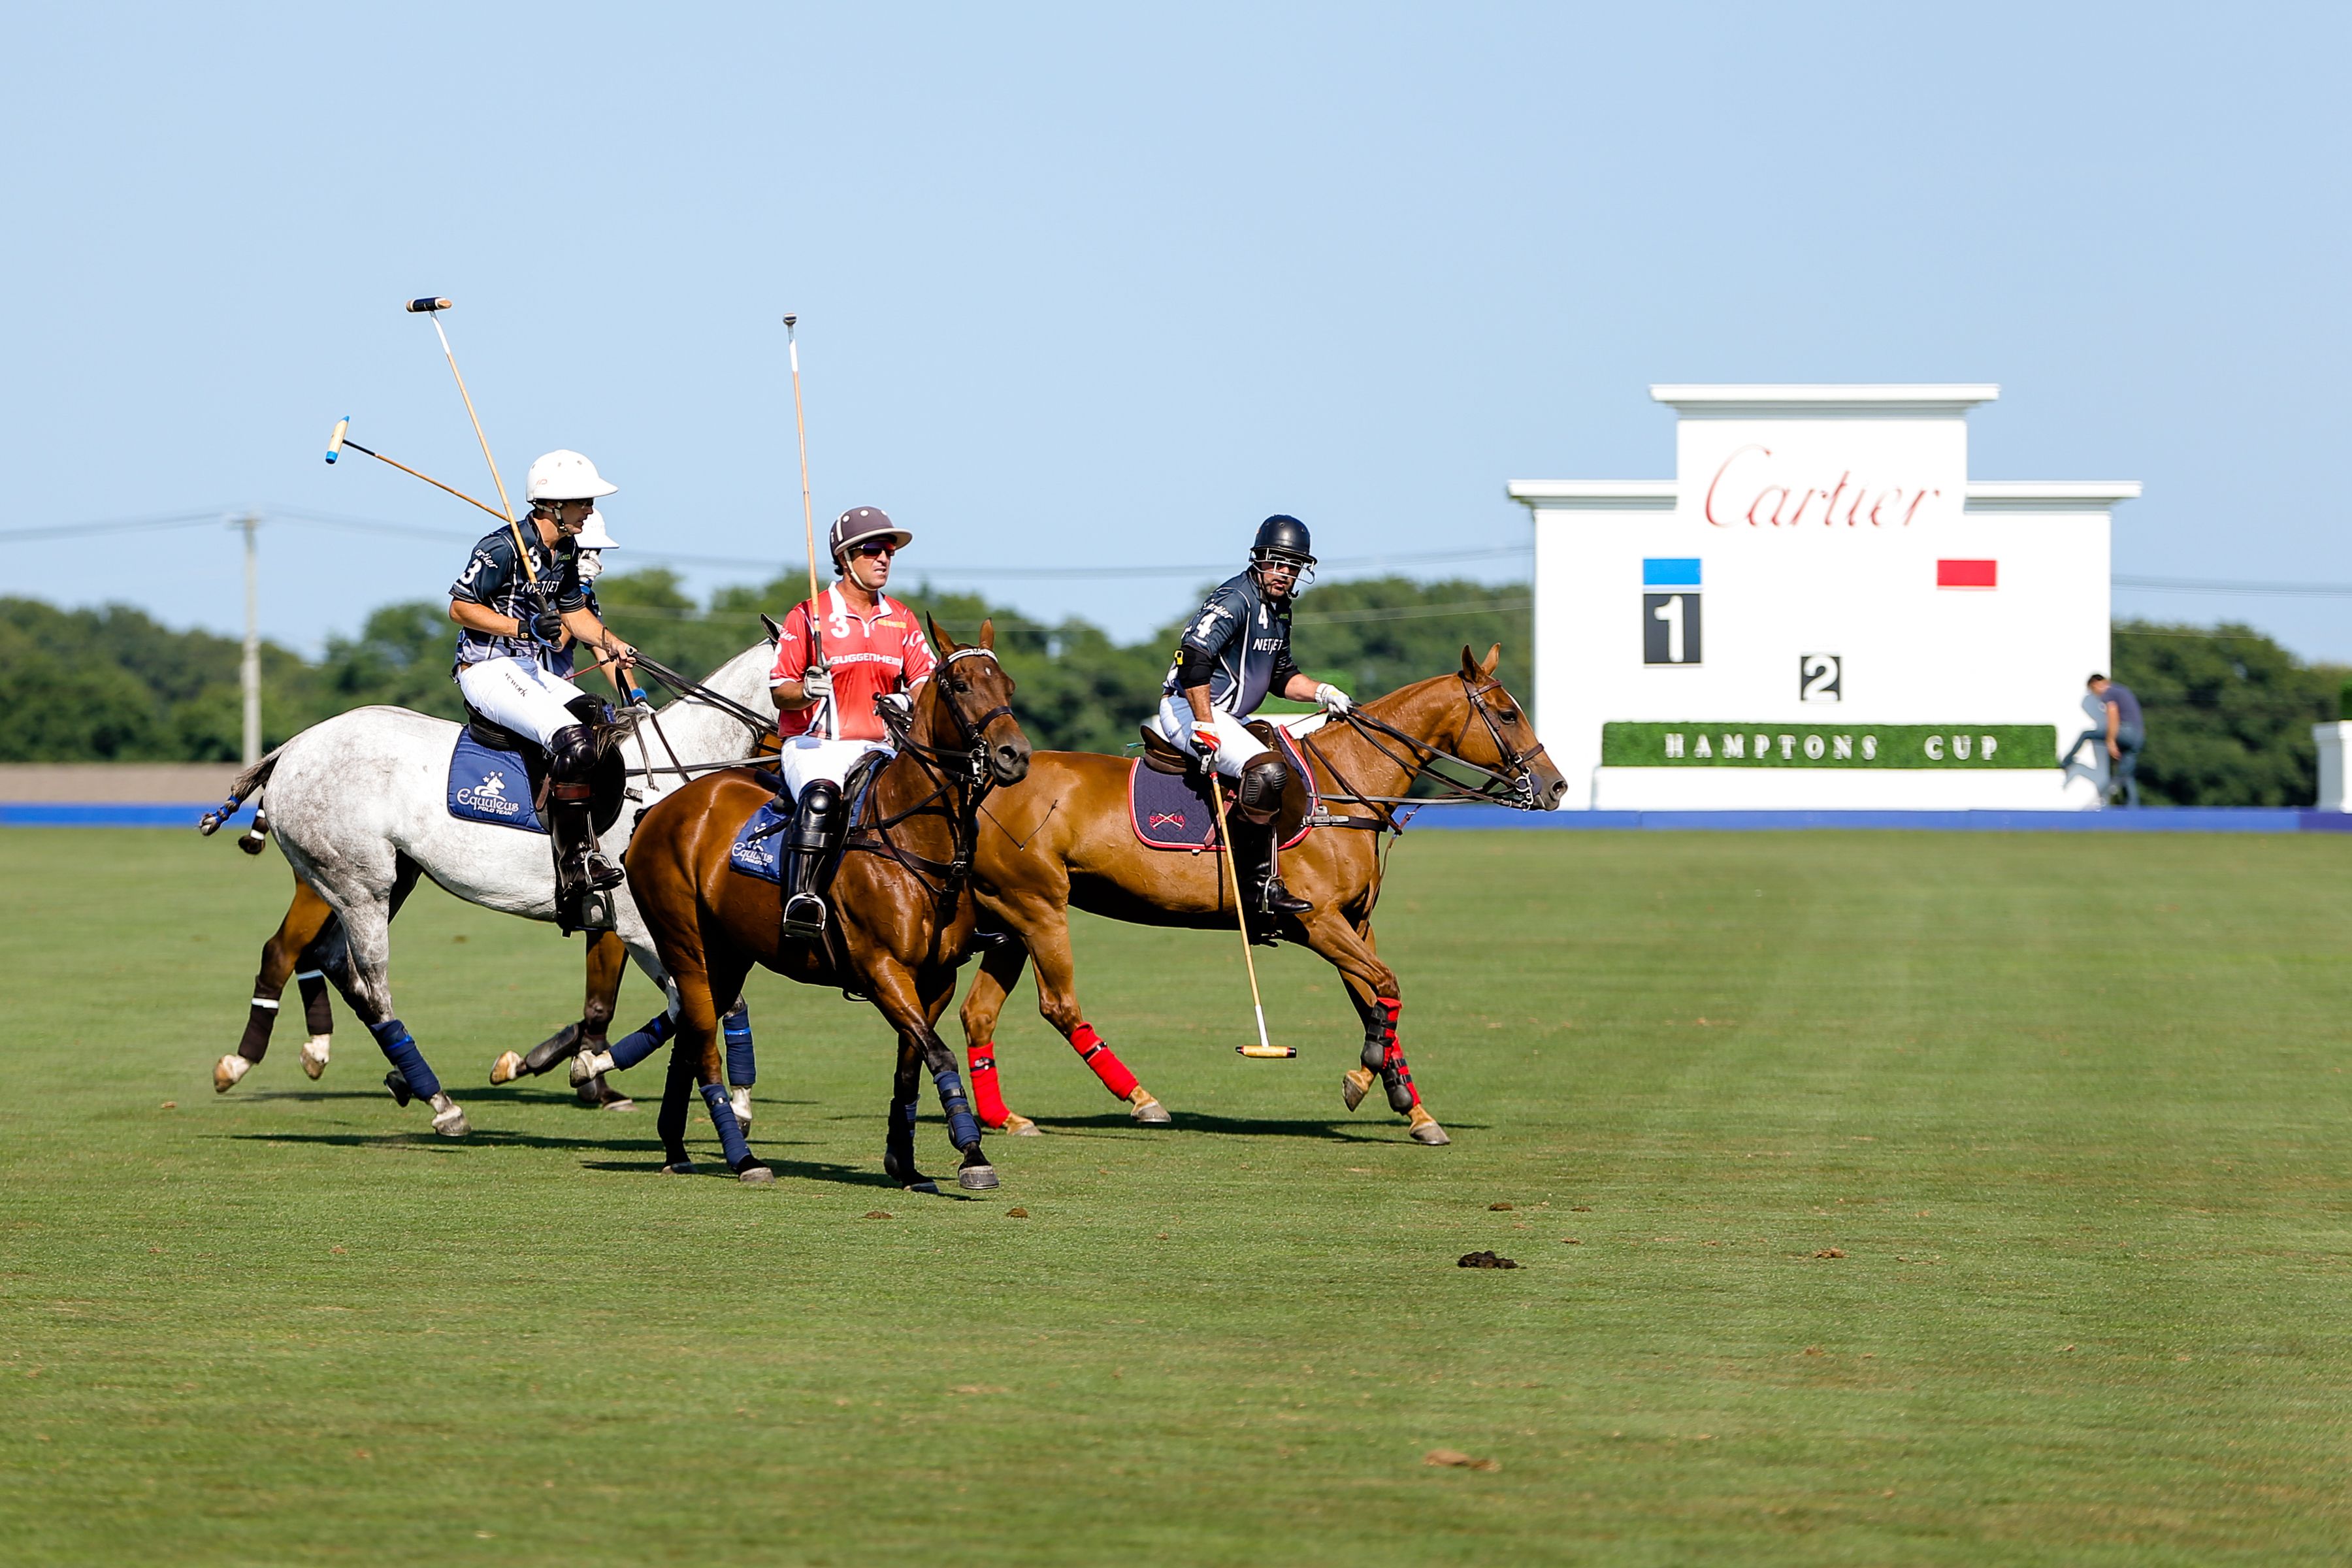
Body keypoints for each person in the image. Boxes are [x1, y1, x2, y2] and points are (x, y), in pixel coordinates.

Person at [447, 449, 638, 920]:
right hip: (487, 669)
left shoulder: (566, 550)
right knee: (574, 743)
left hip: (530, 671)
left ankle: (597, 830)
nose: (590, 510)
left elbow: (577, 614)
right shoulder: (502, 547)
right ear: (553, 504)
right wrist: (521, 629)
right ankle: (573, 861)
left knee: (602, 719)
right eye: (583, 502)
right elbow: (459, 607)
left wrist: (612, 643)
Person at [1149, 514, 1352, 917]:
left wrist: (1322, 692)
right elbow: (1194, 657)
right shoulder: (1235, 599)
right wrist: (1204, 723)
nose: (1284, 572)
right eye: (1277, 562)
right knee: (1267, 772)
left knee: (1292, 768)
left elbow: (1282, 677)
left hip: (1228, 716)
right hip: (1190, 708)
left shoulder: (1280, 611)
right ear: (1259, 559)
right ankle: (1257, 886)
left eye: (1293, 566)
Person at [767, 506, 938, 939]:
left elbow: (924, 683)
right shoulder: (808, 615)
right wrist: (807, 689)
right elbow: (779, 689)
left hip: (880, 748)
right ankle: (802, 899)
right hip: (816, 746)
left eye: (890, 552)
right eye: (873, 551)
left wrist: (916, 705)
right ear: (844, 558)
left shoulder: (901, 618)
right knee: (822, 800)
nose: (884, 559)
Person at [2060, 672, 2145, 807]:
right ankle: (2133, 808)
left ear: (2097, 684)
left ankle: (2066, 761)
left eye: (2093, 691)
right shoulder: (2121, 690)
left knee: (2086, 735)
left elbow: (2113, 713)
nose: (2096, 695)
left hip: (2127, 732)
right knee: (2125, 774)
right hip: (2138, 737)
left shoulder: (2109, 692)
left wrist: (2110, 741)